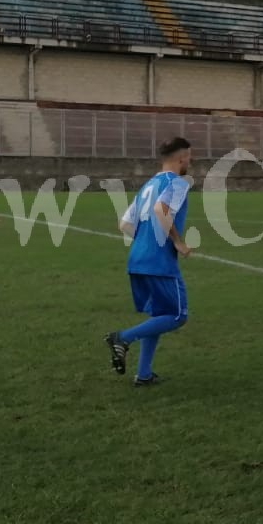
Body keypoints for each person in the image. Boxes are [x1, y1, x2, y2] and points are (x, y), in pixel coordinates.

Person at [105, 137, 194, 386]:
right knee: (177, 316)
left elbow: (123, 224)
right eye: (189, 157)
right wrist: (177, 241)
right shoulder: (177, 183)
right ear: (181, 158)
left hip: (137, 257)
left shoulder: (148, 185)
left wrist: (144, 240)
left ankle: (143, 374)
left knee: (159, 315)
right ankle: (122, 338)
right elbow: (160, 209)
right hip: (159, 260)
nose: (190, 161)